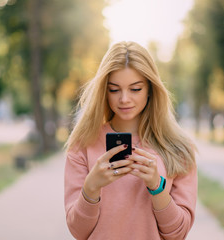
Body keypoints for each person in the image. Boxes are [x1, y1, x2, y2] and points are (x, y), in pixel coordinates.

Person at [64, 41, 197, 240]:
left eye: (135, 89)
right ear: (104, 91)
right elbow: (78, 231)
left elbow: (178, 234)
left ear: (151, 89)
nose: (124, 99)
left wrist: (156, 186)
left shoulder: (178, 149)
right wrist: (91, 188)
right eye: (114, 89)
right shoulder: (82, 145)